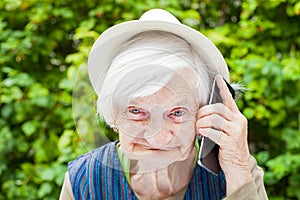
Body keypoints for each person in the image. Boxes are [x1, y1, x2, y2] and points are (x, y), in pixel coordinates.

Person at [60, 9, 268, 200]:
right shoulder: (83, 181)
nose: (157, 137)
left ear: (202, 114)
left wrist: (238, 175)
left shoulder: (238, 172)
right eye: (137, 111)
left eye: (177, 113)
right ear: (114, 115)